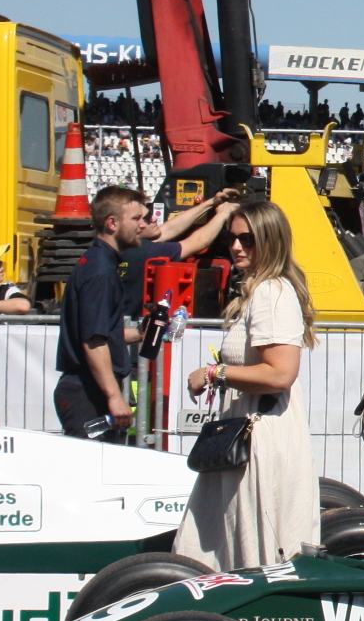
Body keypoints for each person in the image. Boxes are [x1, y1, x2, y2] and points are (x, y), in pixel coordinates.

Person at [175, 201, 319, 571]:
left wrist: (214, 373)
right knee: (222, 548)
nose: (237, 246)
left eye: (248, 239)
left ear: (270, 240)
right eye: (232, 238)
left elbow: (280, 373)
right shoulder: (261, 291)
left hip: (260, 438)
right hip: (245, 436)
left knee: (250, 556)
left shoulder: (272, 293)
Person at [55, 185, 236, 441]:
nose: (143, 225)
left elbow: (102, 332)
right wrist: (114, 396)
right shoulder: (101, 272)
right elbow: (94, 341)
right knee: (92, 462)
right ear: (112, 223)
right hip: (87, 391)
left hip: (87, 388)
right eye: (136, 219)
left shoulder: (100, 262)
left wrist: (141, 333)